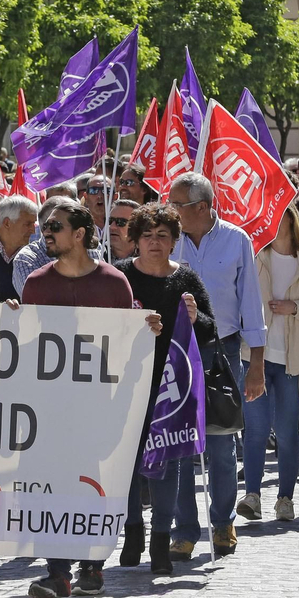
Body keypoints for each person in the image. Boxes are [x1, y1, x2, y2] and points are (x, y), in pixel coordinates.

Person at [22, 199, 160, 598]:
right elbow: (25, 345)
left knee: (93, 485)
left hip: (101, 405)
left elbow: (125, 341)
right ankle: (57, 572)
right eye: (45, 227)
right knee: (51, 486)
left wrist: (145, 326)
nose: (47, 233)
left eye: (56, 226)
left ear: (79, 234)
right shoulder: (37, 284)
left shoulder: (114, 283)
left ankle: (92, 566)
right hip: (49, 406)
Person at [113, 201, 215, 572]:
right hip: (127, 382)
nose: (154, 243)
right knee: (128, 464)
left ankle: (160, 538)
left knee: (168, 464)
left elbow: (209, 329)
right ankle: (132, 531)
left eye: (162, 236)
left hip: (173, 387)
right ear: (135, 241)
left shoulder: (186, 279)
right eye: (147, 236)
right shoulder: (120, 276)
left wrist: (194, 317)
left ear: (173, 241)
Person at [169, 172, 266, 559]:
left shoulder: (236, 240)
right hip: (173, 350)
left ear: (202, 208)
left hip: (221, 350)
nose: (170, 211)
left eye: (177, 204)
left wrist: (256, 363)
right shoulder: (166, 240)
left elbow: (251, 305)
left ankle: (223, 522)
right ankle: (184, 530)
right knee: (176, 445)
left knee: (221, 445)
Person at [242, 207, 299, 525]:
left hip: (296, 360)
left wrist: (296, 307)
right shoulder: (254, 254)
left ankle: (285, 499)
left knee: (286, 432)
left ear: (290, 219)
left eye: (275, 215)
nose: (268, 222)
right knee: (254, 431)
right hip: (255, 356)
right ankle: (252, 496)